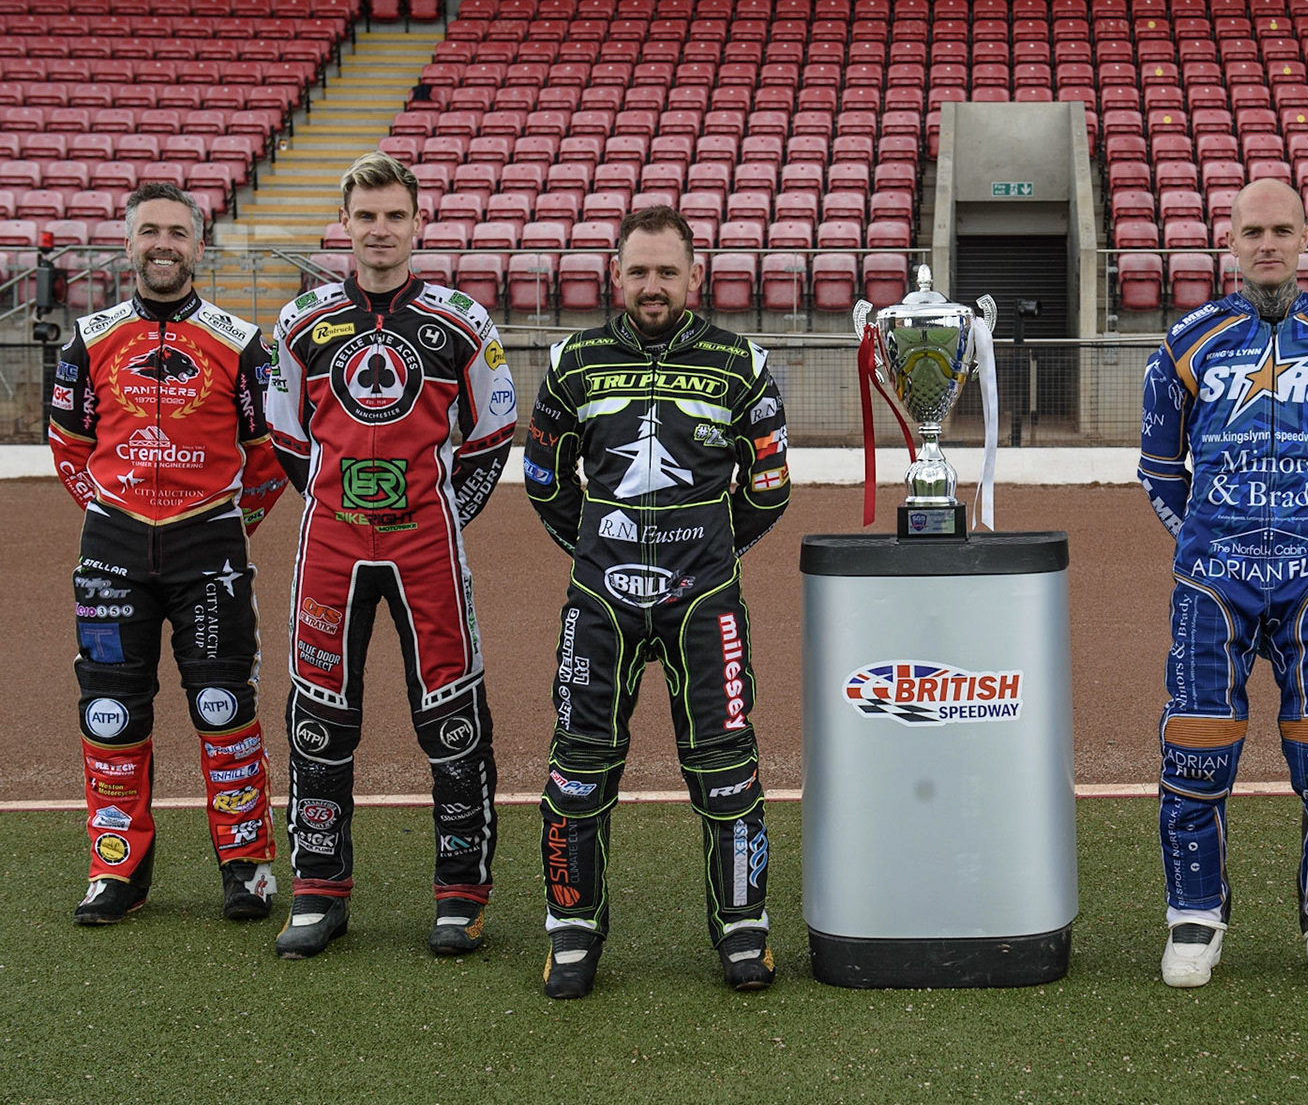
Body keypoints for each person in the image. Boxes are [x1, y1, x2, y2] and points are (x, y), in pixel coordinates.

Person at [526, 205, 791, 999]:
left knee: (728, 767)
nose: (652, 286)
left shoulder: (741, 363)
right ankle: (572, 930)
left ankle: (743, 927)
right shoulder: (572, 362)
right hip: (598, 602)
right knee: (578, 766)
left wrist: (704, 557)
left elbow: (770, 490)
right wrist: (602, 551)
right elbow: (544, 484)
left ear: (695, 277)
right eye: (638, 271)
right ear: (615, 274)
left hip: (704, 602)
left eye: (667, 272)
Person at [265, 152, 517, 958]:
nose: (379, 230)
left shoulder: (464, 322)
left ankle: (460, 892)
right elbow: (284, 439)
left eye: (393, 216)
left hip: (429, 553)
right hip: (330, 551)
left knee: (451, 716)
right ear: (344, 223)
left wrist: (436, 515)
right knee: (319, 714)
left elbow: (491, 435)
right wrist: (342, 509)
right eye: (365, 216)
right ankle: (316, 887)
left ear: (417, 222)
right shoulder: (300, 322)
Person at [1137, 178, 1308, 990]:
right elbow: (1157, 469)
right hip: (1212, 586)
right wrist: (1208, 545)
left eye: (1283, 229)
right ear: (1231, 243)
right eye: (1253, 232)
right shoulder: (1187, 342)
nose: (1268, 244)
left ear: (1307, 234)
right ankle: (1196, 916)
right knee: (1197, 750)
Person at [48, 181, 288, 925]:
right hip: (113, 548)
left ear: (197, 245)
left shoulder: (241, 342)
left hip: (210, 546)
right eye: (149, 231)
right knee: (112, 714)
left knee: (224, 710)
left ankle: (245, 865)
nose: (162, 244)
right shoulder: (86, 341)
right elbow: (68, 448)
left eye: (176, 233)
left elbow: (268, 458)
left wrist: (223, 528)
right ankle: (115, 871)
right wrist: (117, 521)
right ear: (127, 243)